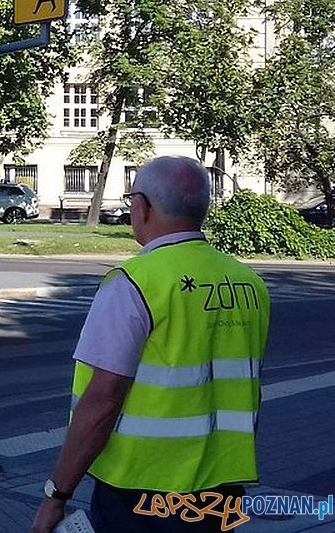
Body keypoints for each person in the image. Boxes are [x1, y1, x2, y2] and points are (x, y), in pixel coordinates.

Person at [32, 156, 270, 533]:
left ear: (141, 206)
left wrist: (56, 493)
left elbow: (102, 400)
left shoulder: (134, 283)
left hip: (141, 491)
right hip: (222, 487)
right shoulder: (249, 283)